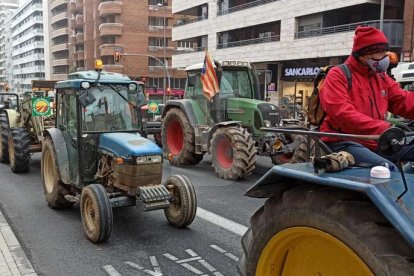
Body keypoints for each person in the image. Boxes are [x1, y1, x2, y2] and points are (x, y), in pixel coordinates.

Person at [319, 26, 414, 167]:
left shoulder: (381, 77)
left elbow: (402, 99)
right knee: (387, 170)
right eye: (379, 53)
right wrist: (384, 128)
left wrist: (384, 131)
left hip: (377, 140)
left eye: (384, 52)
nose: (384, 57)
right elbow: (342, 113)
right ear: (364, 55)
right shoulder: (338, 75)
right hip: (345, 141)